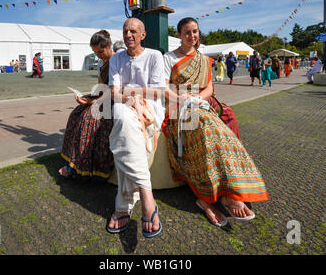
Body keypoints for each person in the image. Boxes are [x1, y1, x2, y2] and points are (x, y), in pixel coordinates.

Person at [162, 17, 268, 227]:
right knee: (207, 129)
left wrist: (197, 99)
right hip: (177, 106)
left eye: (195, 32)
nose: (192, 36)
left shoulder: (203, 59)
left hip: (200, 103)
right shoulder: (169, 58)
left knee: (223, 125)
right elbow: (164, 88)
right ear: (179, 35)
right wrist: (184, 100)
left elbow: (209, 88)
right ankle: (207, 197)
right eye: (187, 32)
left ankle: (228, 191)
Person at [107, 18, 165, 238]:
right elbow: (114, 92)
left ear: (143, 35)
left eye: (133, 31)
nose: (128, 34)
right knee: (122, 117)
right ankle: (147, 195)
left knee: (123, 126)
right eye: (125, 31)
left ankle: (123, 204)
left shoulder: (154, 56)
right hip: (125, 105)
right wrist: (129, 97)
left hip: (149, 110)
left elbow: (158, 92)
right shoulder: (117, 58)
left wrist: (131, 95)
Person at [59, 30, 115, 181]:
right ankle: (71, 161)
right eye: (95, 53)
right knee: (76, 113)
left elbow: (113, 90)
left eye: (101, 51)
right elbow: (100, 87)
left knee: (88, 119)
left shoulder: (118, 60)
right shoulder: (101, 63)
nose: (99, 56)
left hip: (117, 99)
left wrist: (94, 102)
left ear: (109, 45)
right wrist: (88, 98)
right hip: (104, 98)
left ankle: (79, 168)